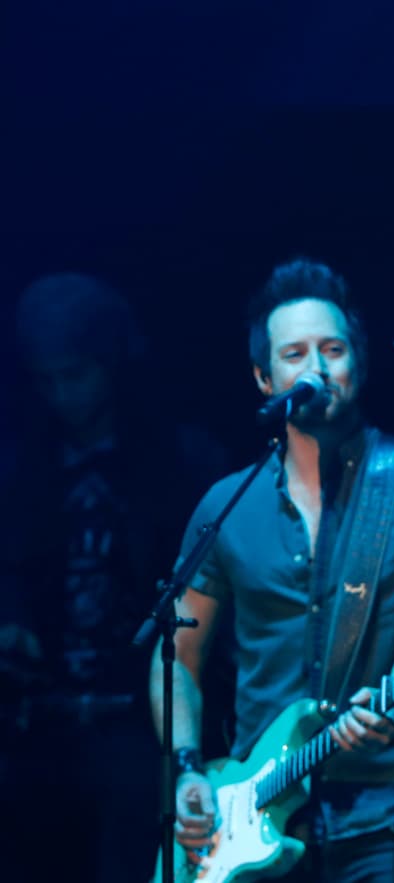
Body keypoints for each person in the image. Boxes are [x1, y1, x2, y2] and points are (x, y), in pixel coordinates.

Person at [149, 258, 394, 882]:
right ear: (263, 378)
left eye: (332, 349)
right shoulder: (226, 505)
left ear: (359, 361)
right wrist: (189, 769)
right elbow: (178, 659)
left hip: (387, 813)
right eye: (294, 353)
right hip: (249, 813)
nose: (316, 368)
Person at [0, 272, 230, 883]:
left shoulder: (181, 465)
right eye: (45, 379)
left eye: (74, 375)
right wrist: (14, 622)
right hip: (36, 728)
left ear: (110, 365)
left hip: (134, 727)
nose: (60, 395)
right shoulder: (20, 473)